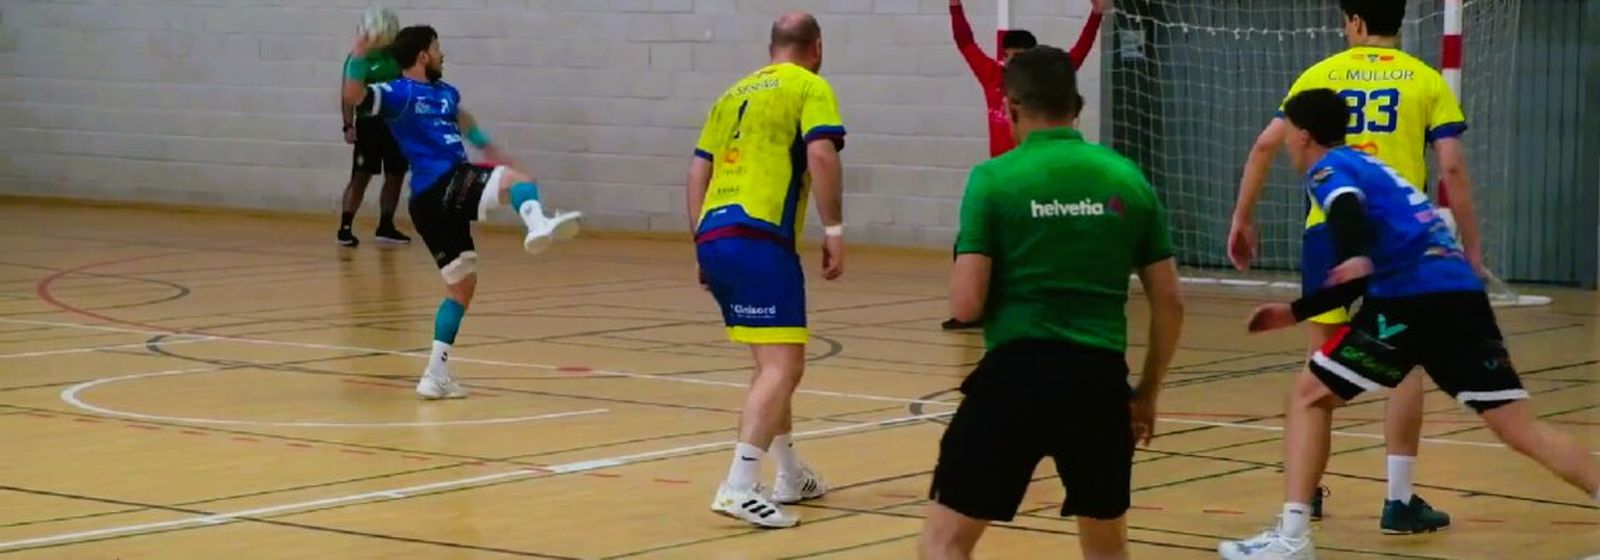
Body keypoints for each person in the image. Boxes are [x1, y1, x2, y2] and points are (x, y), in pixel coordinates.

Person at [1218, 88, 1600, 560]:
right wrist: (1296, 312)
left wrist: (1354, 253)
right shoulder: (1372, 167)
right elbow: (1367, 270)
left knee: (1308, 396)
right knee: (1520, 428)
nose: (1285, 146)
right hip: (1458, 297)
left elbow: (1347, 215)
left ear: (1302, 135)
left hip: (1410, 302)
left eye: (1288, 135)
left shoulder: (1329, 170)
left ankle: (1292, 539)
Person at [1224, 0, 1484, 530]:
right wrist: (1472, 249)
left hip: (1327, 232)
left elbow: (1265, 145)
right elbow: (1452, 168)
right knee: (1405, 366)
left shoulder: (1320, 74)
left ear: (1357, 22)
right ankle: (1398, 501)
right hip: (1397, 241)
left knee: (1320, 366)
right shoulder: (1426, 79)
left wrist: (1242, 218)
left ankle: (1305, 496)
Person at [917, 46, 1185, 560]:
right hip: (1098, 383)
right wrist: (1147, 393)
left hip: (1014, 380)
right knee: (1107, 548)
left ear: (1011, 107)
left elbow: (966, 304)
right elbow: (1170, 301)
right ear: (1076, 105)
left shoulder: (993, 179)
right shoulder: (1126, 178)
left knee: (943, 543)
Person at [342, 25, 581, 399]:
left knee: (461, 288)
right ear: (423, 55)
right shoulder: (398, 93)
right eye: (437, 48)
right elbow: (354, 95)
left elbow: (462, 116)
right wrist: (359, 51)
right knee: (518, 181)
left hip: (432, 204)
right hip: (440, 184)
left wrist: (486, 146)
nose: (443, 54)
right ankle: (537, 225)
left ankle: (434, 375)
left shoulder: (446, 92)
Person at [687, 11, 845, 529]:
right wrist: (834, 228)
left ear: (770, 46)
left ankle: (790, 474)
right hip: (759, 236)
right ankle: (738, 486)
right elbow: (821, 155)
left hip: (715, 232)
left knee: (771, 362)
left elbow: (698, 170)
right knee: (783, 367)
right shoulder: (809, 86)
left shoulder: (731, 94)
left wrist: (700, 243)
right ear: (817, 47)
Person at [940, 0, 1110, 331]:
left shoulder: (1044, 89)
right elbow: (965, 42)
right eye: (1007, 57)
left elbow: (1077, 55)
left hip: (1038, 177)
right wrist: (955, 6)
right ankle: (972, 310)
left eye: (1017, 58)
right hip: (1004, 178)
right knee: (972, 242)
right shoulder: (992, 78)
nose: (1010, 64)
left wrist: (1095, 15)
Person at [337, 8, 412, 248]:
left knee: (395, 175)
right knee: (361, 176)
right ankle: (345, 228)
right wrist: (348, 125)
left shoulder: (397, 56)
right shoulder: (359, 58)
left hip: (396, 125)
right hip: (369, 125)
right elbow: (348, 95)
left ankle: (386, 226)